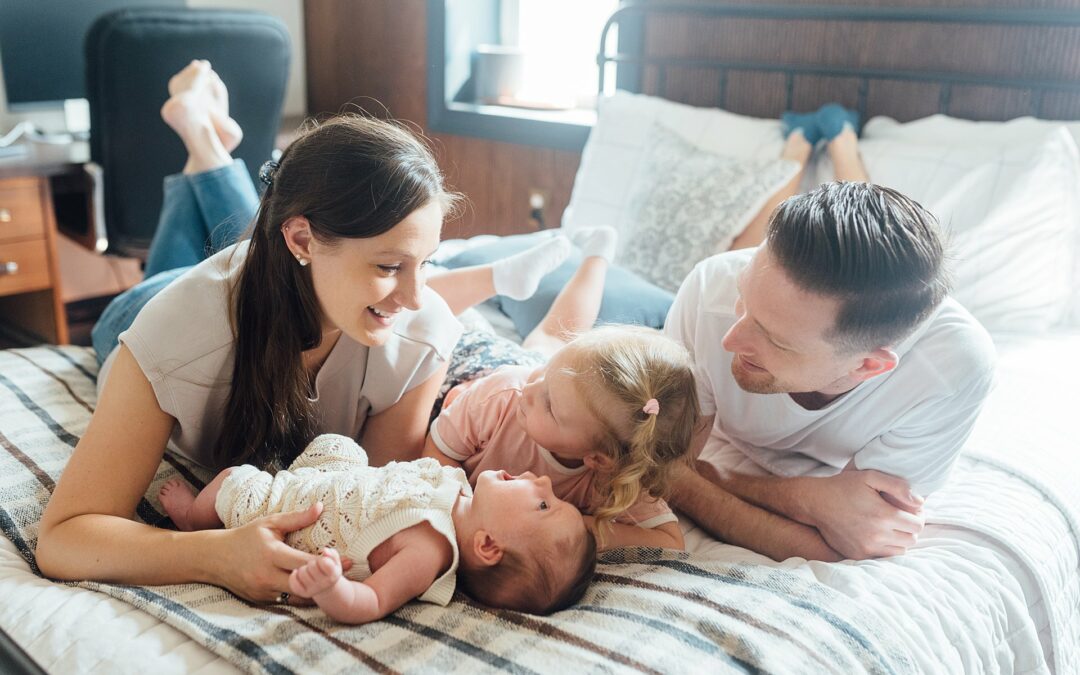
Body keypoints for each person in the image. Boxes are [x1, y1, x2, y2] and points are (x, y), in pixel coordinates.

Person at [37, 60, 483, 604]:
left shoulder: (421, 334)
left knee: (257, 249)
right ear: (302, 240)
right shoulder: (179, 333)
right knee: (168, 278)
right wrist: (215, 555)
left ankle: (206, 142)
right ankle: (202, 137)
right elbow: (64, 536)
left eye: (427, 263)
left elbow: (368, 499)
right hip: (140, 307)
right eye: (389, 267)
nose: (415, 297)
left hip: (268, 271)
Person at [664, 104, 996, 562]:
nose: (730, 340)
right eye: (746, 300)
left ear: (868, 366)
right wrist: (810, 498)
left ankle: (842, 141)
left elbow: (843, 540)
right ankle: (805, 146)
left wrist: (710, 481)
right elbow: (668, 473)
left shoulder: (951, 369)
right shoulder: (711, 289)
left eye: (775, 339)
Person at [424, 227, 702, 550]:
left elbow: (670, 541)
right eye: (546, 380)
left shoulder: (613, 480)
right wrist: (471, 513)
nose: (532, 388)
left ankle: (597, 256)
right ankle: (558, 266)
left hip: (547, 374)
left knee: (548, 345)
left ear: (598, 459)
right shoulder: (509, 395)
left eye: (550, 408)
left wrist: (574, 525)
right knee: (438, 317)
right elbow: (437, 456)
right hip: (470, 365)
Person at [157, 434, 596, 620]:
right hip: (335, 484)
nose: (542, 481)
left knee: (233, 481)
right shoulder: (456, 486)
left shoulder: (430, 547)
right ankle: (304, 472)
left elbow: (370, 601)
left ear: (487, 547)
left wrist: (332, 588)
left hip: (296, 518)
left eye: (542, 504)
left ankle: (194, 521)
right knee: (343, 447)